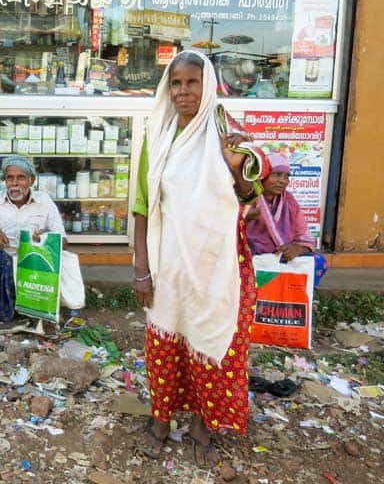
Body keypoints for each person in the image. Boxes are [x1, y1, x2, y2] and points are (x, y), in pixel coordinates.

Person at [132, 50, 261, 465]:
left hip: (216, 264)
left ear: (208, 86)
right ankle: (162, 419)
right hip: (169, 262)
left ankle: (204, 424)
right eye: (176, 83)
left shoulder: (228, 133)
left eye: (192, 82)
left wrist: (235, 166)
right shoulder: (158, 134)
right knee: (165, 342)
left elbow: (252, 197)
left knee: (210, 339)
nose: (183, 92)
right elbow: (142, 206)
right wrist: (140, 270)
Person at [0, 155, 85, 343]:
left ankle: (39, 312)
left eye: (21, 178)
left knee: (58, 255)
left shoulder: (44, 202)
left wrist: (44, 238)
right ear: (5, 181)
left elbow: (64, 241)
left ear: (32, 181)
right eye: (10, 178)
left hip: (33, 261)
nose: (15, 183)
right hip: (2, 261)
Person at [246, 152, 328, 285]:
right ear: (262, 175)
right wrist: (246, 218)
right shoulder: (246, 198)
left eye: (286, 176)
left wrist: (297, 248)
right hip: (249, 255)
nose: (283, 181)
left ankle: (295, 300)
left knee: (318, 262)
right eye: (277, 174)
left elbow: (305, 236)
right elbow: (225, 230)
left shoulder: (289, 201)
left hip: (280, 255)